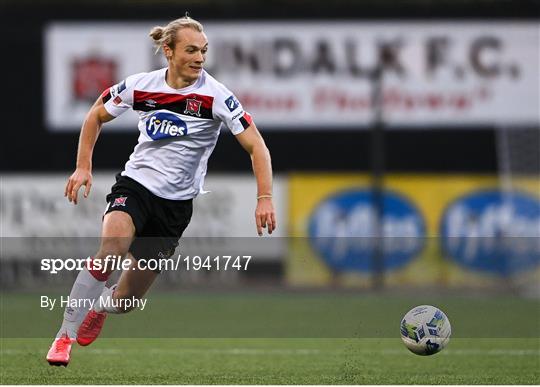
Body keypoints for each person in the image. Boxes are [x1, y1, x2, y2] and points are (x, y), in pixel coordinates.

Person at [46, 15, 276, 366]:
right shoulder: (141, 86)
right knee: (111, 249)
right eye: (191, 50)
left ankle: (100, 306)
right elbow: (95, 115)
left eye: (203, 51)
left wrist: (264, 198)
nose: (199, 58)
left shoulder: (216, 96)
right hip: (135, 185)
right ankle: (64, 337)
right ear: (168, 51)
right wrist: (83, 166)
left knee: (127, 300)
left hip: (176, 206)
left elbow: (256, 145)